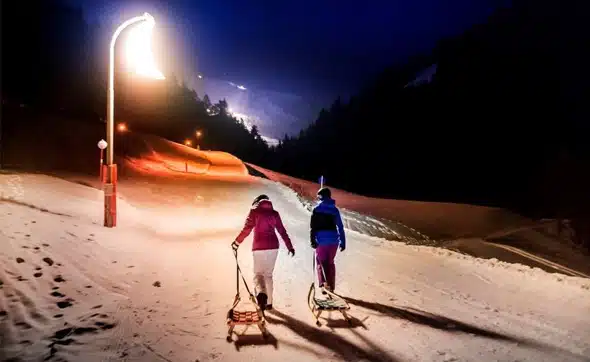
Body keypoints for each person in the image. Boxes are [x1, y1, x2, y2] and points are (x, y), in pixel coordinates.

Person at [232, 194, 295, 311]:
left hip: (259, 247)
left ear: (257, 202)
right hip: (273, 246)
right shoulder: (274, 213)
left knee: (258, 274)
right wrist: (289, 246)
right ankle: (269, 303)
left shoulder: (254, 212)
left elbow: (247, 229)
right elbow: (282, 231)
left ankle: (261, 294)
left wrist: (236, 242)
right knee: (268, 275)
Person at [310, 187, 345, 293]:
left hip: (321, 240)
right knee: (330, 262)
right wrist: (343, 241)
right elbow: (340, 226)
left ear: (321, 196)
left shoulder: (316, 209)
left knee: (320, 261)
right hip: (334, 241)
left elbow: (313, 227)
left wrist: (312, 240)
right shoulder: (335, 210)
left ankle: (325, 284)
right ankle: (331, 286)